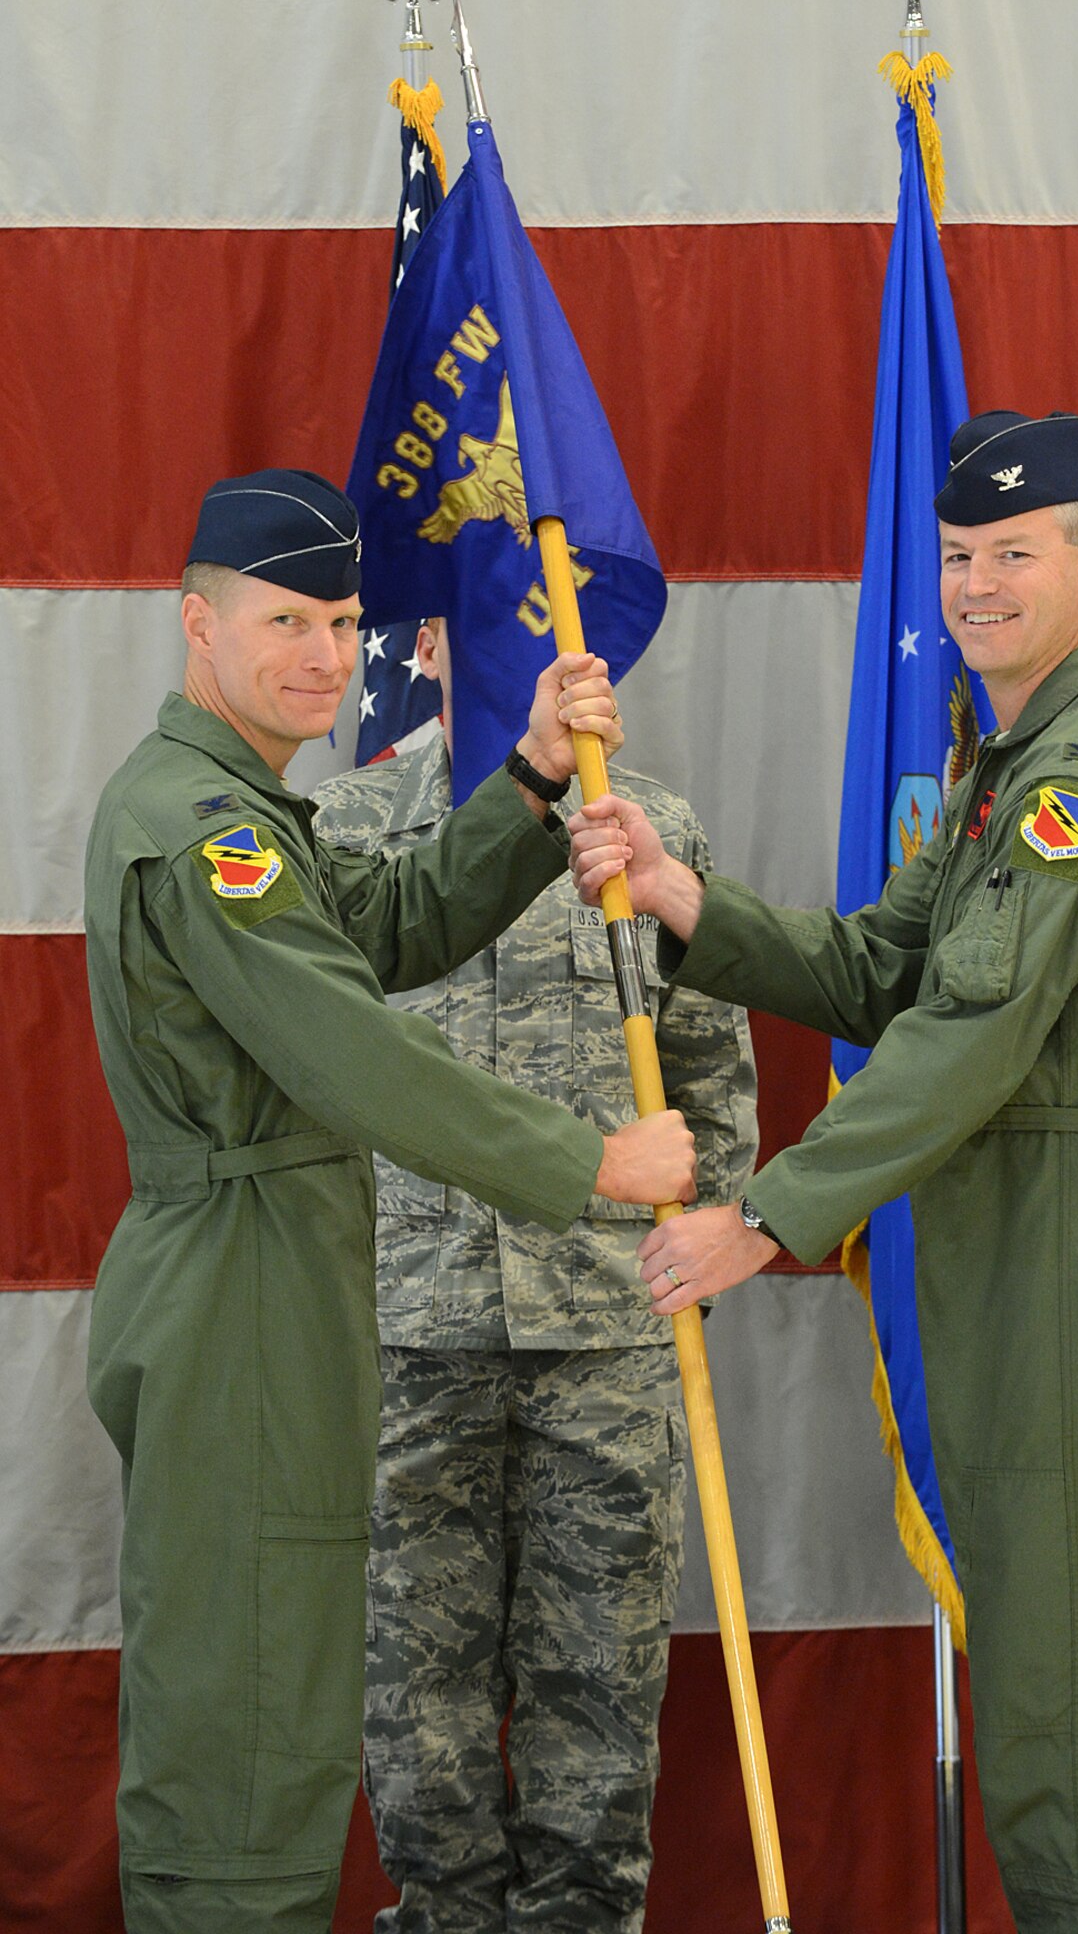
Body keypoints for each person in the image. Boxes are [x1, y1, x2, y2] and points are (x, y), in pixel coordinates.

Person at [568, 412, 1078, 1934]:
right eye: (954, 556)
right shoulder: (1001, 759)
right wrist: (690, 902)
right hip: (1018, 1255)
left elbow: (968, 1041)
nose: (974, 586)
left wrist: (766, 1216)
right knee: (1055, 1696)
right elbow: (887, 968)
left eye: (1013, 552)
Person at [82, 469, 696, 1934]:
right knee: (244, 1715)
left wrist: (534, 779)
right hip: (238, 1286)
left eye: (341, 621)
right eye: (283, 617)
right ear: (196, 620)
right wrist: (589, 1166)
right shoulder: (199, 825)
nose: (317, 652)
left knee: (276, 1697)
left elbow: (390, 927)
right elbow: (343, 1044)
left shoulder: (247, 807)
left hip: (276, 1276)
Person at [313, 616, 757, 1934]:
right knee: (417, 1738)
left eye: (530, 607)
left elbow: (709, 1076)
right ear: (425, 629)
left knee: (598, 1735)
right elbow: (318, 1084)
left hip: (606, 1346)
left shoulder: (646, 821)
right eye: (469, 602)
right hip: (408, 1340)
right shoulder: (349, 827)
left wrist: (696, 1259)